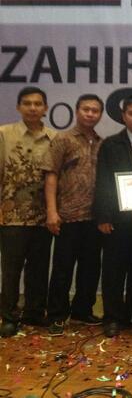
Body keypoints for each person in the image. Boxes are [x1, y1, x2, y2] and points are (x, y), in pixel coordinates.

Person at [93, 94, 132, 337]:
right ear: (123, 116)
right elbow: (103, 181)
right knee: (114, 269)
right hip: (118, 218)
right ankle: (112, 317)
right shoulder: (111, 144)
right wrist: (103, 216)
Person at [42, 94, 104, 336]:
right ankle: (57, 315)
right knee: (63, 268)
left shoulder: (100, 142)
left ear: (100, 115)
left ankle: (82, 310)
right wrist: (51, 211)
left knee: (90, 268)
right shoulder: (63, 139)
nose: (90, 114)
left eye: (95, 110)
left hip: (94, 217)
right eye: (86, 109)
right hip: (67, 215)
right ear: (77, 111)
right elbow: (51, 175)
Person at [0, 87, 56, 338]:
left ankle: (34, 312)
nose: (32, 108)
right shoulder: (4, 134)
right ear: (18, 107)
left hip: (44, 216)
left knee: (39, 268)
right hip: (11, 215)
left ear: (45, 108)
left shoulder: (54, 138)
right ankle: (9, 316)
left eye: (37, 104)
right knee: (11, 269)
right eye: (27, 103)